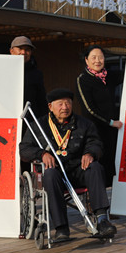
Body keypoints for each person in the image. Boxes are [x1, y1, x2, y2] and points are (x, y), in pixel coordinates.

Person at [19, 88, 117, 242]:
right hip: (55, 173)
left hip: (78, 170)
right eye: (60, 104)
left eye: (68, 103)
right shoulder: (37, 126)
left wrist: (90, 153)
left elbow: (96, 143)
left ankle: (102, 220)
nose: (65, 107)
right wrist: (42, 154)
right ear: (50, 106)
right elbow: (24, 150)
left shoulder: (84, 124)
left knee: (96, 167)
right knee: (50, 173)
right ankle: (61, 228)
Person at [76, 45, 123, 185]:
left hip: (113, 130)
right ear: (86, 60)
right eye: (94, 57)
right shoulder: (83, 79)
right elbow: (89, 109)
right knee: (98, 167)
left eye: (101, 57)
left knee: (114, 166)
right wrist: (110, 122)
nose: (98, 61)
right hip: (95, 131)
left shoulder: (109, 76)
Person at [10, 35, 48, 117]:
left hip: (29, 120)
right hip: (6, 118)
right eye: (20, 49)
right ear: (11, 51)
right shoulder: (2, 69)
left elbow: (41, 100)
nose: (23, 52)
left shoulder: (36, 74)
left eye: (27, 50)